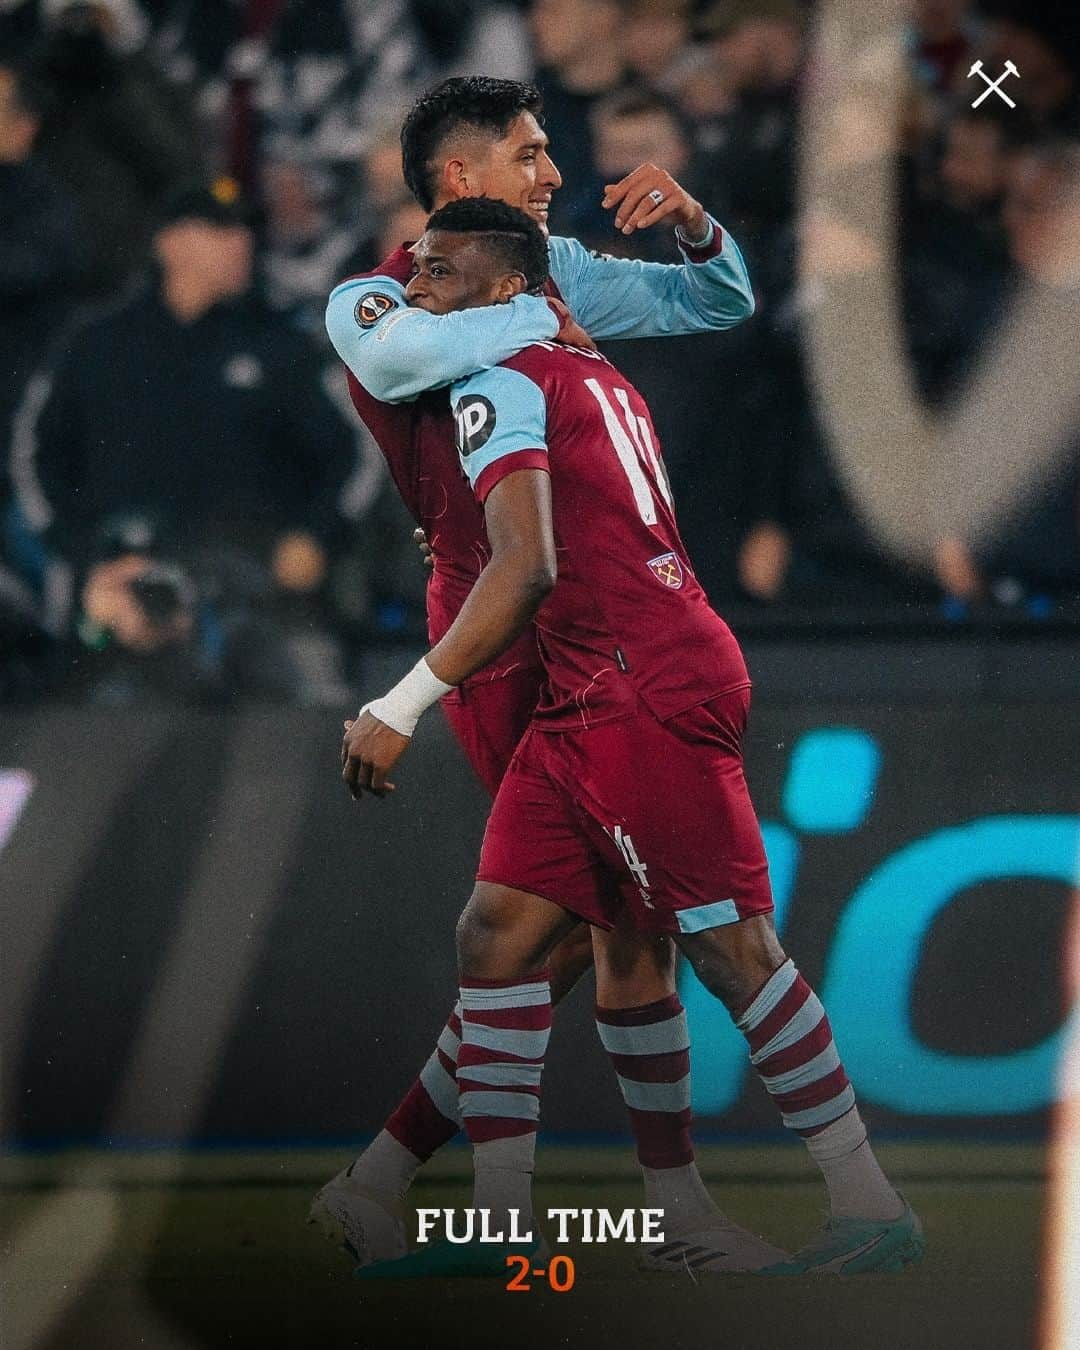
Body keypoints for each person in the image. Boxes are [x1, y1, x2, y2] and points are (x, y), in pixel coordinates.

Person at [340, 198, 925, 1279]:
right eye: (414, 269)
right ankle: (506, 1223)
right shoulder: (587, 366)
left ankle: (866, 1197)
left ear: (505, 287)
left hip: (637, 683)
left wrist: (399, 703)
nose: (415, 291)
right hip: (596, 684)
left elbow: (528, 566)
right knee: (501, 934)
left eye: (438, 272)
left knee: (729, 947)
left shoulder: (500, 381)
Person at [315, 74, 773, 1273]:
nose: (553, 172)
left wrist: (696, 229)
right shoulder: (374, 296)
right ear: (457, 181)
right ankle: (636, 1215)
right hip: (491, 622)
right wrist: (539, 313)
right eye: (529, 154)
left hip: (583, 615)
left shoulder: (556, 266)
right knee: (575, 919)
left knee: (604, 924)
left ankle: (403, 1185)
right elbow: (415, 352)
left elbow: (724, 300)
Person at [11, 180, 357, 703]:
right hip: (125, 590)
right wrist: (84, 565)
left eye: (244, 230)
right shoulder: (94, 346)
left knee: (317, 722)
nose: (239, 242)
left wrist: (318, 535)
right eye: (219, 229)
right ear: (169, 243)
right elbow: (33, 459)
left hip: (258, 591)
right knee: (92, 737)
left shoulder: (281, 344)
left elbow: (353, 452)